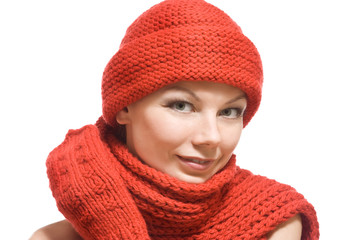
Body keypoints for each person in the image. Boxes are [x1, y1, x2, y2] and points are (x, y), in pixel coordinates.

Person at [30, 0, 319, 239]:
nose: (212, 137)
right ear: (124, 107)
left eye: (229, 112)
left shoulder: (273, 221)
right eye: (182, 105)